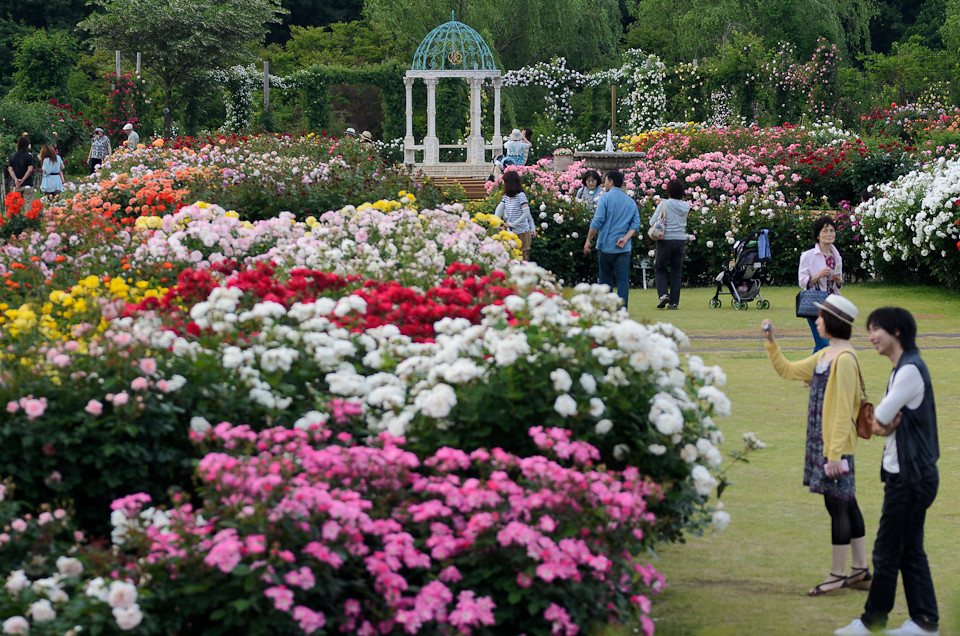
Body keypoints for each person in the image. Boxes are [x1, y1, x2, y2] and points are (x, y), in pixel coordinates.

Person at [835, 308, 940, 636]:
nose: (871, 336)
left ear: (896, 330)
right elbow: (878, 425)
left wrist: (881, 424)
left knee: (887, 549)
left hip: (911, 476)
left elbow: (879, 416)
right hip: (908, 473)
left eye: (876, 329)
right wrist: (881, 425)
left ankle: (872, 622)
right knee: (910, 548)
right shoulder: (902, 370)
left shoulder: (910, 370)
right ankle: (924, 622)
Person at [762, 294, 870, 598]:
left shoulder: (845, 359)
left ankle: (838, 575)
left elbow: (842, 412)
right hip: (821, 444)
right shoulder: (826, 354)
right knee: (846, 501)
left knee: (837, 504)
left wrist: (834, 454)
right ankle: (860, 570)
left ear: (834, 321)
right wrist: (772, 342)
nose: (816, 320)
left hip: (834, 447)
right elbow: (788, 370)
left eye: (821, 316)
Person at [583, 170, 641, 308]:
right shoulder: (630, 201)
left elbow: (598, 221)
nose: (604, 183)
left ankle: (607, 308)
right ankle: (622, 309)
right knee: (623, 280)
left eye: (606, 180)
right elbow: (635, 224)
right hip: (623, 247)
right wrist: (625, 238)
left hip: (606, 245)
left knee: (605, 280)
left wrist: (588, 240)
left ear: (611, 181)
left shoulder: (604, 198)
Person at [800, 215, 843, 352]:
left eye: (831, 231)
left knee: (830, 344)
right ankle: (809, 372)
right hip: (815, 304)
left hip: (833, 304)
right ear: (818, 235)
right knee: (823, 344)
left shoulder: (837, 256)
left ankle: (819, 372)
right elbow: (802, 281)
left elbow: (839, 283)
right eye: (825, 231)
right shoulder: (808, 256)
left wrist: (837, 280)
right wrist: (818, 275)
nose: (829, 234)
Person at [650, 178, 690, 310]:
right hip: (680, 240)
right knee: (676, 272)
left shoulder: (664, 204)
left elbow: (653, 221)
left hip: (665, 240)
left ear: (668, 191)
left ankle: (663, 294)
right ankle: (674, 303)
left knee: (659, 268)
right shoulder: (686, 206)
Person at [498, 169, 535, 260]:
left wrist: (512, 224)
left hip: (522, 233)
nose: (503, 184)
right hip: (511, 233)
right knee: (512, 258)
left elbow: (526, 214)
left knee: (522, 259)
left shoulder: (521, 196)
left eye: (505, 182)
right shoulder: (506, 197)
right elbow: (499, 211)